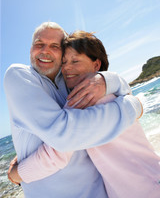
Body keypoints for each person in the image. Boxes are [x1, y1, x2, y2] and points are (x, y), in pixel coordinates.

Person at [8, 31, 160, 198]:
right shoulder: (113, 93)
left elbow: (57, 153)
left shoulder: (83, 101)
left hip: (145, 188)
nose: (66, 68)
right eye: (64, 62)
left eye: (75, 61)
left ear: (96, 65)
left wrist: (17, 174)